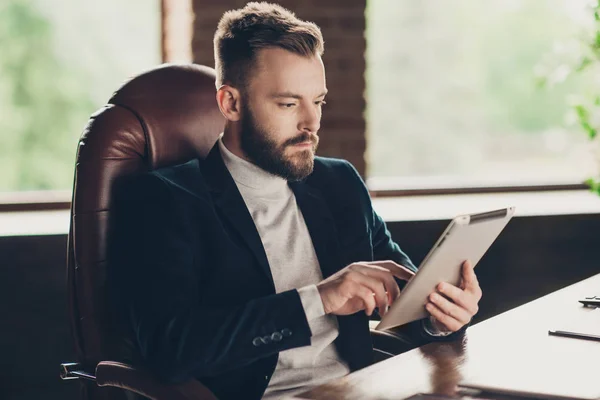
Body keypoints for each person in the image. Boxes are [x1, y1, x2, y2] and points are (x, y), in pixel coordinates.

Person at [109, 2, 482, 399]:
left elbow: (402, 304)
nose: (312, 122)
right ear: (230, 103)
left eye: (317, 101)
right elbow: (172, 350)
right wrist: (319, 298)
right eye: (289, 104)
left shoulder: (339, 183)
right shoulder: (165, 201)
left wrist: (441, 317)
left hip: (360, 390)